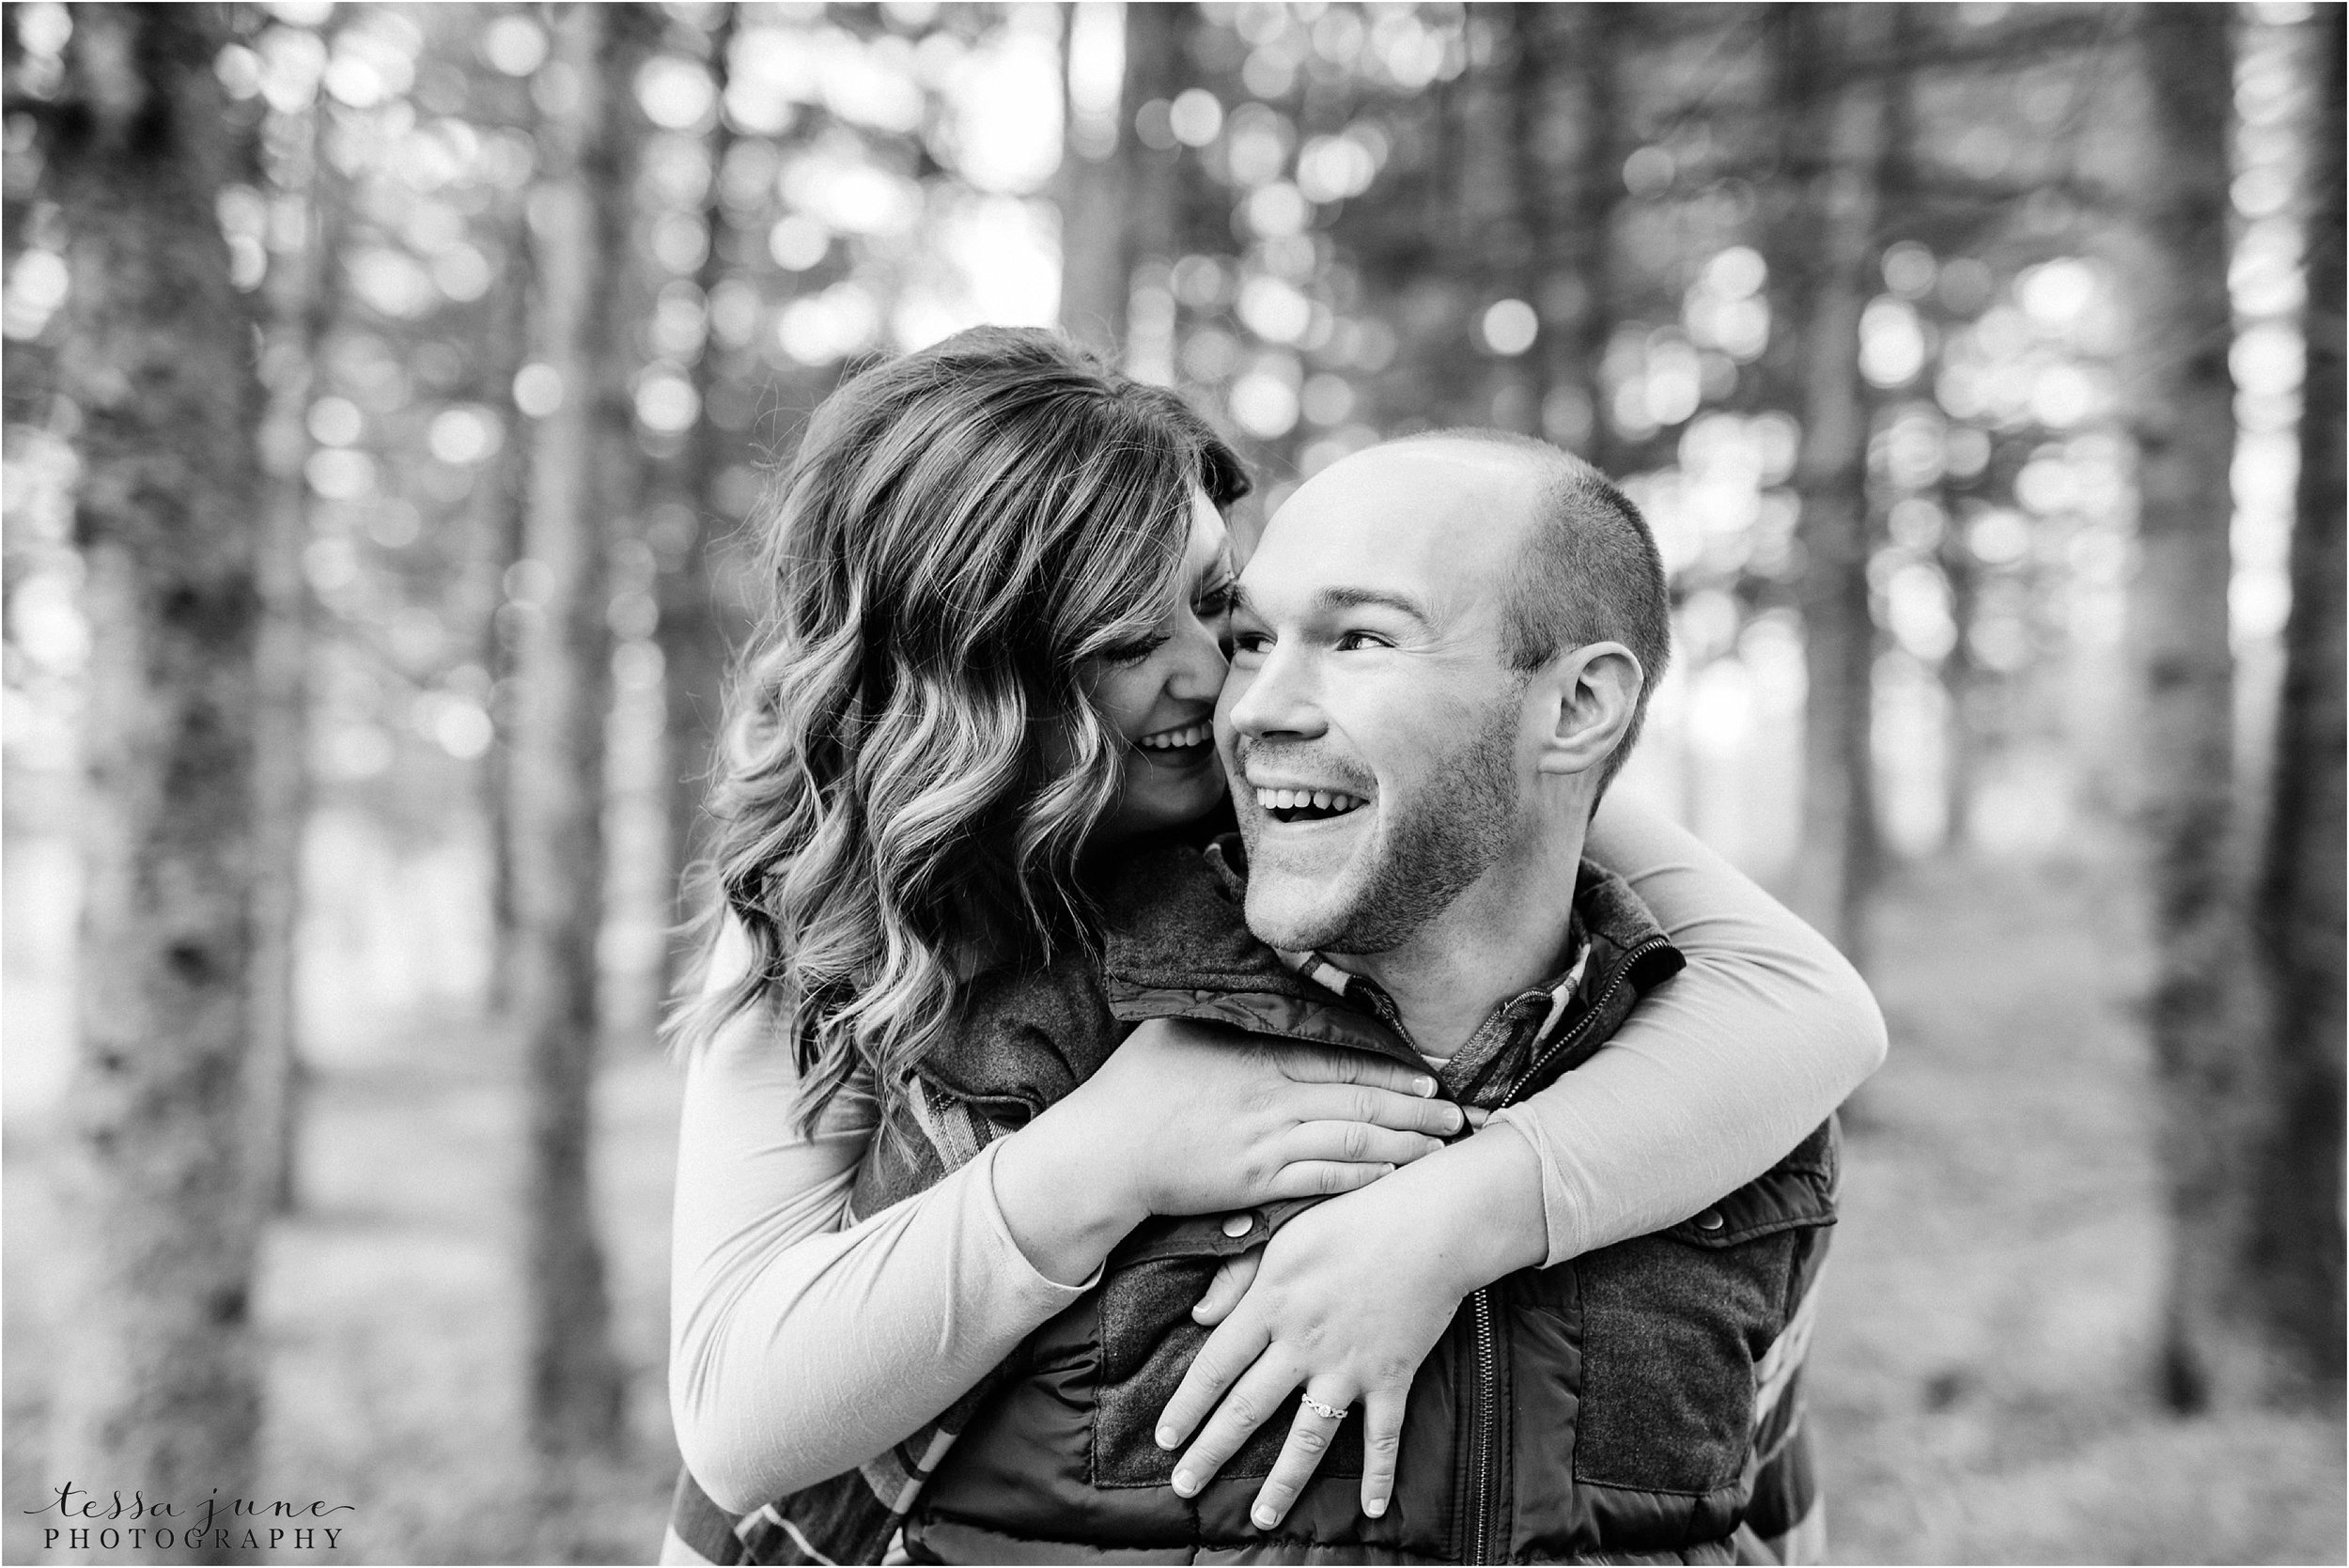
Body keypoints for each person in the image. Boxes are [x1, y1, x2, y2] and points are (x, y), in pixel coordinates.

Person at [663, 329, 1883, 1565]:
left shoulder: (1424, 765)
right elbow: (738, 1428)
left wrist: (1458, 1212)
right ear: (981, 693)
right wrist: (1110, 1149)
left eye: (1218, 609)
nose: (1226, 682)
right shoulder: (850, 899)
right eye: (1128, 646)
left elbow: (1805, 1006)